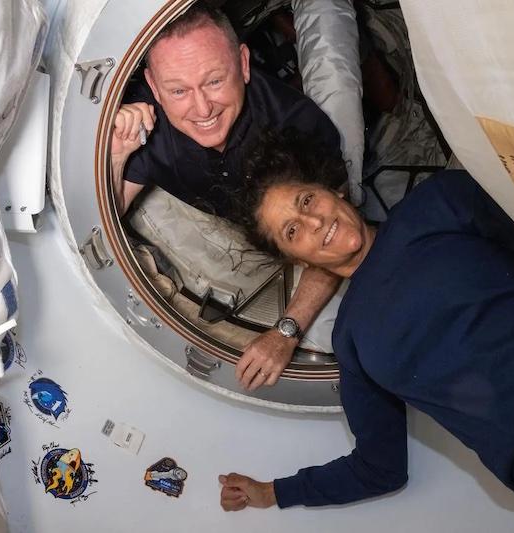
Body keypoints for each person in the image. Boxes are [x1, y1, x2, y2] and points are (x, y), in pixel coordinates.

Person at [218, 133, 514, 533]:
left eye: (307, 200)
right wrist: (273, 492)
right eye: (292, 231)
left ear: (332, 189)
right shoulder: (351, 342)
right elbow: (379, 468)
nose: (314, 221)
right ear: (295, 260)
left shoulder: (437, 203)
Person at [109, 3, 349, 390]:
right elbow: (108, 213)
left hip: (294, 232)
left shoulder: (298, 126)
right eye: (178, 90)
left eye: (215, 81)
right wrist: (118, 152)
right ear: (154, 87)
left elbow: (340, 237)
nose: (202, 108)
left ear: (243, 63)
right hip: (229, 224)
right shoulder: (146, 123)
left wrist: (285, 332)